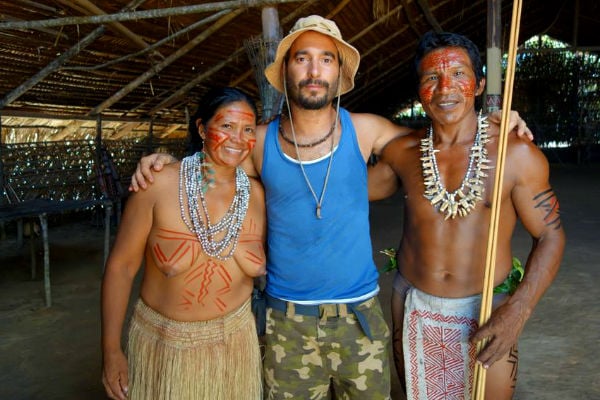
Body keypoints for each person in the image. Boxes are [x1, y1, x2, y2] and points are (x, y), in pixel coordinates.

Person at [129, 16, 531, 399]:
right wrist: (163, 160)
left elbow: (444, 131)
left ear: (339, 74)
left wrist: (494, 121)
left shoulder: (366, 130)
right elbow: (215, 160)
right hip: (286, 318)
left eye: (326, 60)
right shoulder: (261, 143)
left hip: (361, 314)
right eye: (302, 58)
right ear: (286, 70)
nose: (314, 70)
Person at [369, 31, 566, 399]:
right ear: (419, 91)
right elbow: (345, 193)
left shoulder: (515, 154)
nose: (446, 88)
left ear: (478, 85)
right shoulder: (403, 152)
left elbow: (551, 235)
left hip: (488, 308)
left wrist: (517, 312)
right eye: (431, 78)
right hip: (412, 302)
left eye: (458, 74)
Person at [101, 87, 267, 400]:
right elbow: (121, 267)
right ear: (202, 127)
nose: (237, 138)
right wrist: (110, 351)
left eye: (247, 129)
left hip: (236, 344)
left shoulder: (258, 195)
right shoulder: (158, 183)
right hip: (164, 346)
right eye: (226, 126)